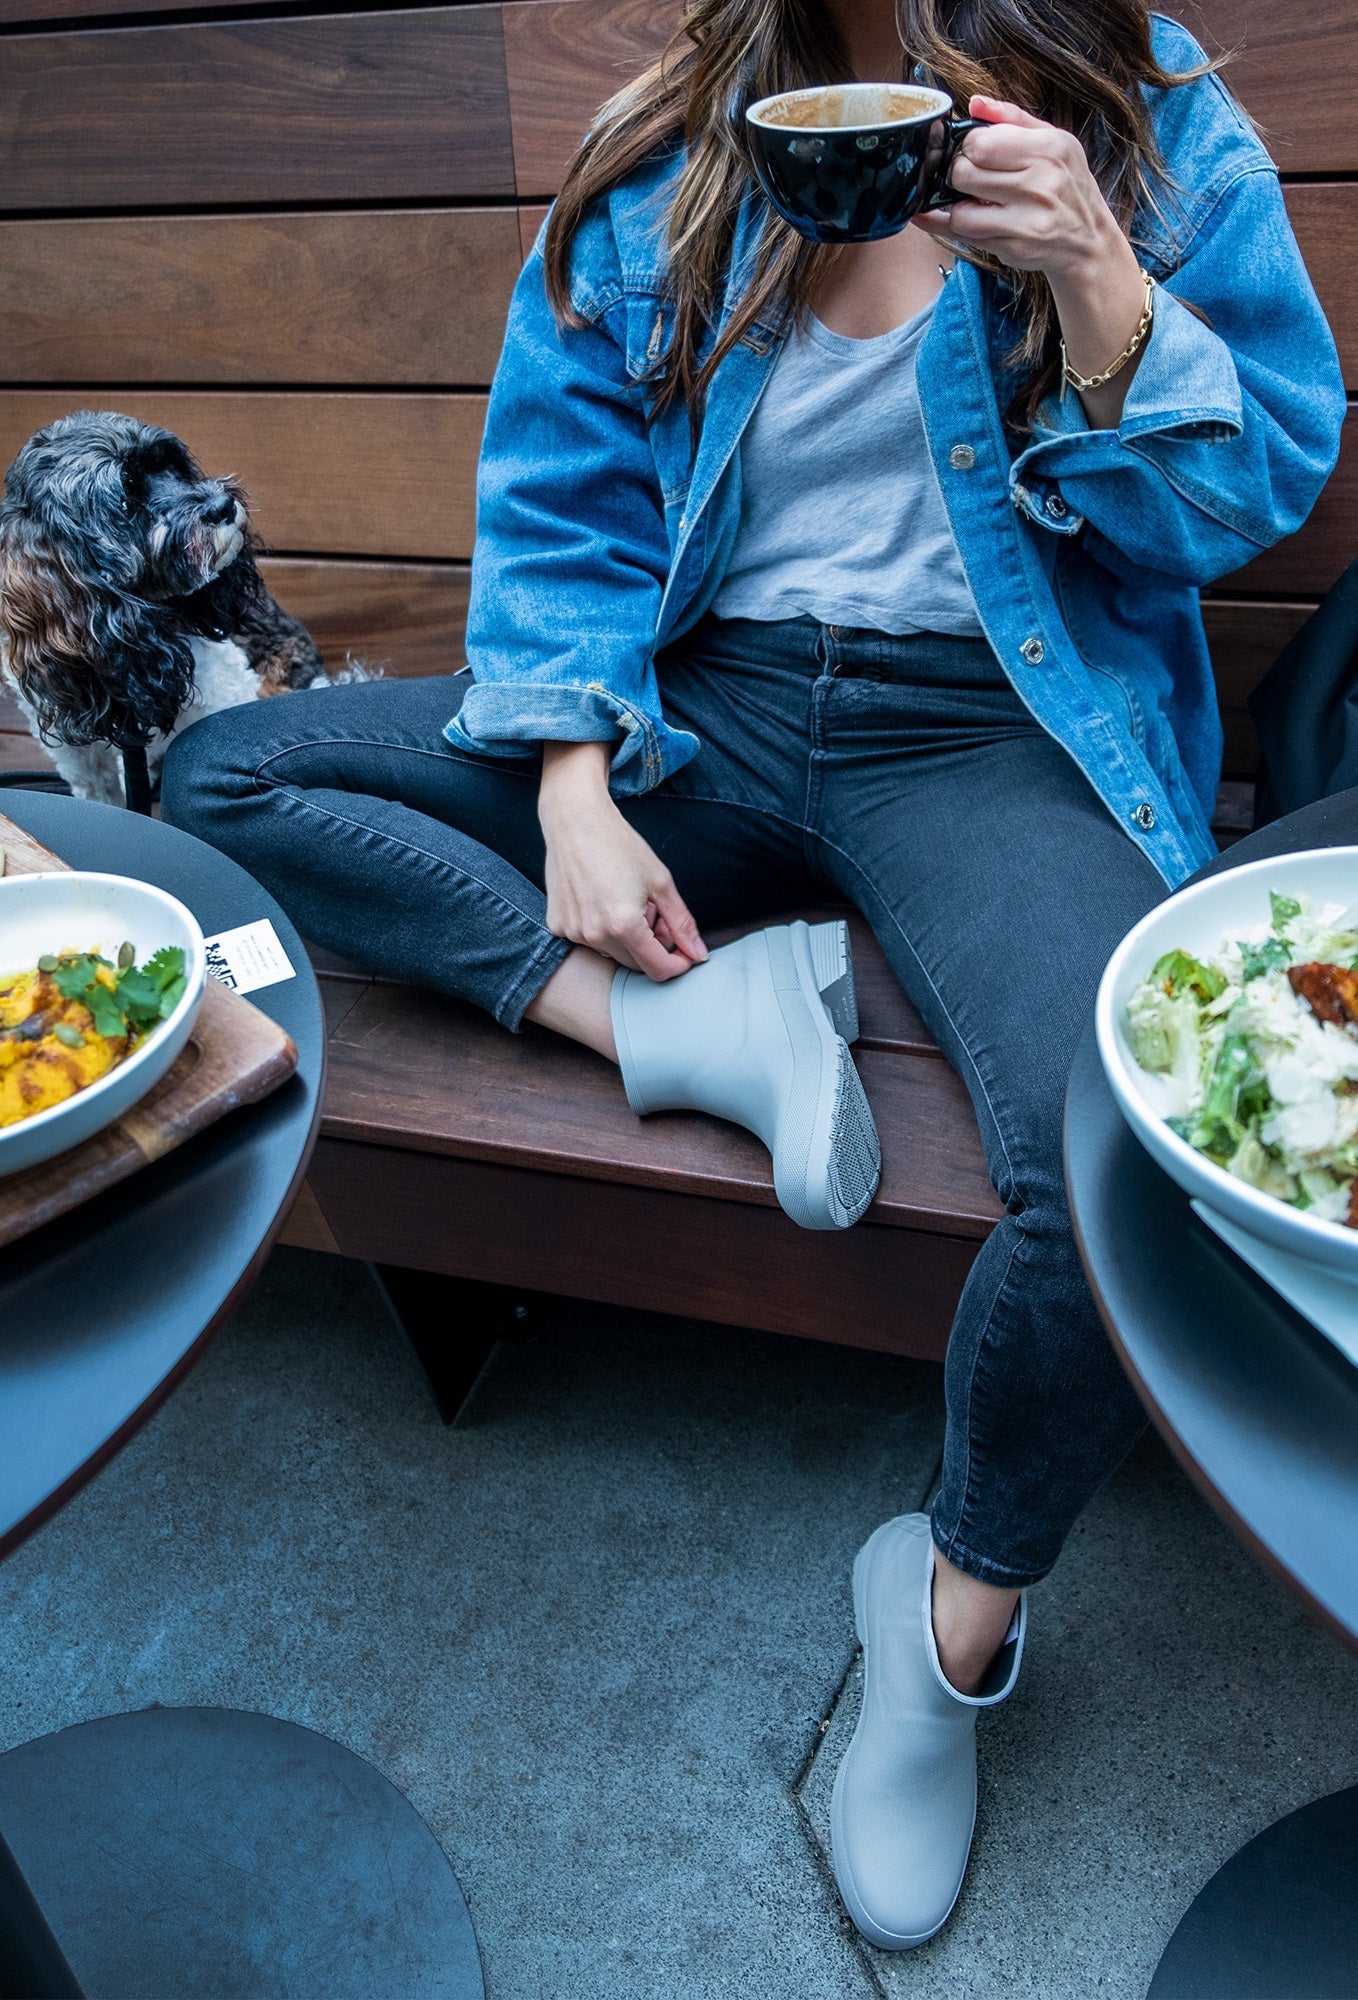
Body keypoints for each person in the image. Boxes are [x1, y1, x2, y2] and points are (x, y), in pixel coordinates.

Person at [161, 0, 1344, 1948]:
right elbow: (563, 504)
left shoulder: (1143, 111)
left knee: (1111, 1152)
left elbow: (1242, 501)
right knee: (232, 773)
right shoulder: (672, 146)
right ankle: (667, 1020)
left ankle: (946, 1630)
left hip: (988, 732)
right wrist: (567, 782)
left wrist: (1098, 277)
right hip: (695, 711)